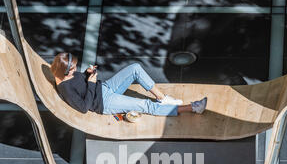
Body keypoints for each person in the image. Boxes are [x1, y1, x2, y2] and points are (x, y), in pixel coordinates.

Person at [50, 53, 207, 116]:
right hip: (104, 103)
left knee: (135, 68)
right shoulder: (65, 88)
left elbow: (81, 83)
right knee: (145, 105)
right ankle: (193, 107)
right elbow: (84, 108)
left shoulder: (67, 75)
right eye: (73, 69)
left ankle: (162, 98)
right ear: (64, 71)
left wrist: (87, 73)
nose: (75, 69)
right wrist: (91, 84)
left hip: (105, 87)